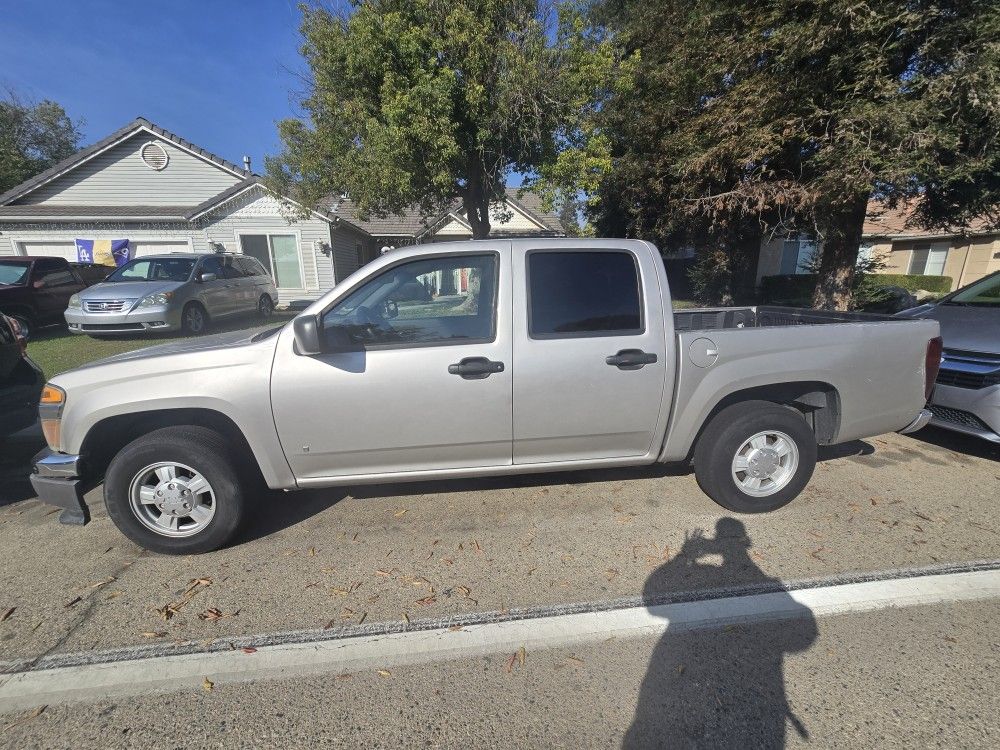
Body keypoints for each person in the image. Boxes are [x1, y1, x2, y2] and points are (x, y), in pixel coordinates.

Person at [623, 518, 817, 749]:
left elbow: (652, 600)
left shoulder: (710, 574)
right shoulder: (761, 582)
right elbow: (804, 636)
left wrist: (684, 557)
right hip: (761, 703)